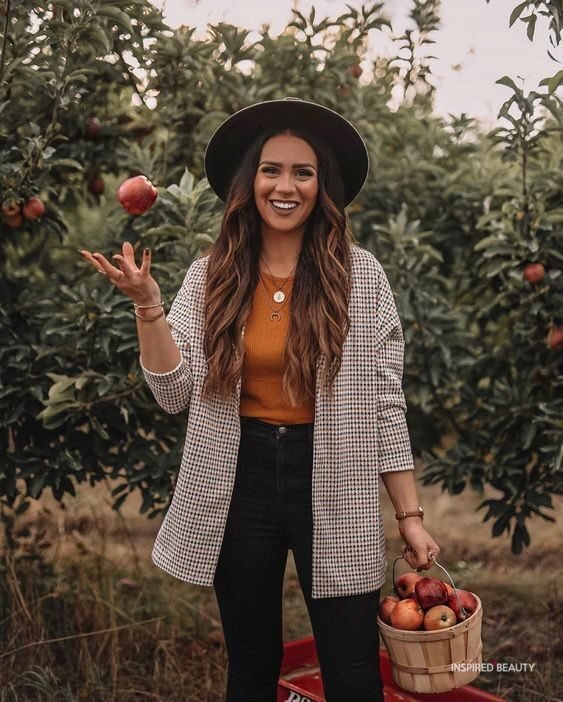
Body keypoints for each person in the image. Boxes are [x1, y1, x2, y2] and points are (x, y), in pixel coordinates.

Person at [80, 97, 440, 702]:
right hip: (238, 478)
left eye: (303, 172)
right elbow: (174, 392)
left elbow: (385, 407)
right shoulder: (210, 275)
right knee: (251, 664)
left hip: (335, 478)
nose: (286, 185)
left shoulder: (361, 277)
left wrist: (409, 517)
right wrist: (148, 306)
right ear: (251, 182)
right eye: (272, 169)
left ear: (321, 187)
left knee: (351, 667)